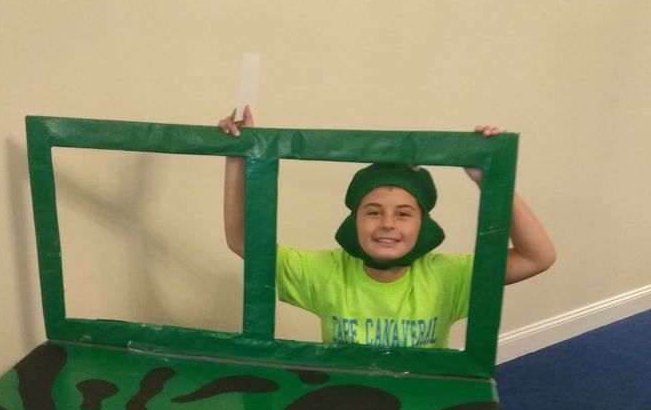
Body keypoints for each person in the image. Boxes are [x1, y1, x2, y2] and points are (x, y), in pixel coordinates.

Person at [219, 106, 556, 349]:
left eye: (405, 214)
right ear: (354, 219)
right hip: (345, 398)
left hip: (419, 400)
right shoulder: (327, 272)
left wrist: (491, 180)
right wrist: (236, 158)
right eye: (374, 212)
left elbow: (537, 257)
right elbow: (242, 241)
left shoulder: (448, 277)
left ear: (424, 223)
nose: (388, 224)